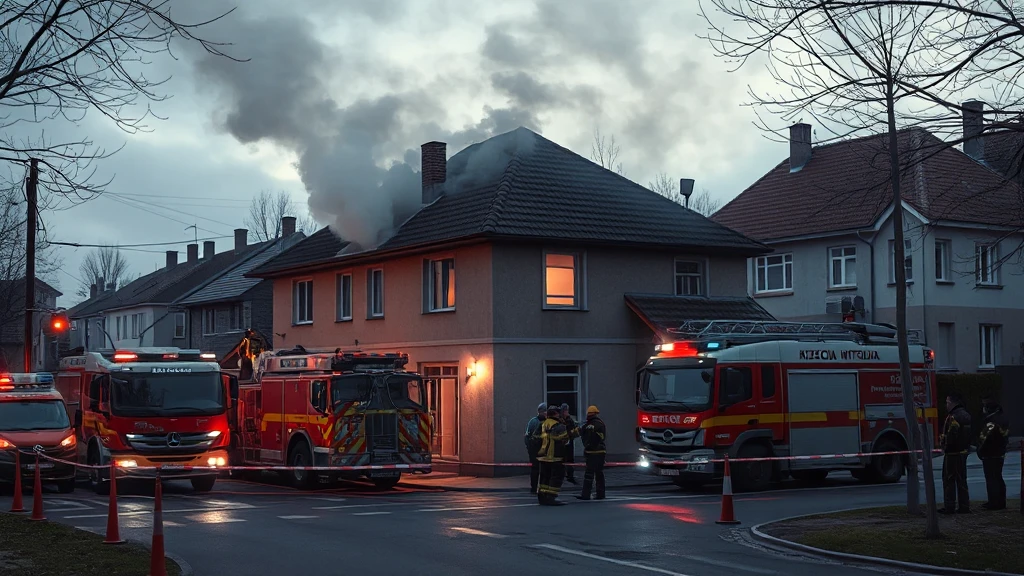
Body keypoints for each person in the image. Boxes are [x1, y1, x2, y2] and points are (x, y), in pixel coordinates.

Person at [939, 391, 972, 514]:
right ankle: (964, 506)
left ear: (953, 402)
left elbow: (952, 435)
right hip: (963, 452)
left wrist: (945, 444)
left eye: (947, 402)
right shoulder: (966, 415)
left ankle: (949, 506)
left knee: (949, 480)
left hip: (952, 453)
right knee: (962, 480)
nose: (946, 405)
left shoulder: (953, 417)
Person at [977, 395, 1010, 511]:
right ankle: (1000, 502)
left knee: (991, 479)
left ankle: (993, 502)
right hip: (1000, 452)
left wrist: (979, 450)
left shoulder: (991, 421)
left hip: (990, 453)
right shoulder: (1002, 418)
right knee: (998, 477)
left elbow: (984, 438)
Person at [537, 405, 569, 506]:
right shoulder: (559, 426)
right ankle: (551, 497)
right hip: (555, 456)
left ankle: (542, 497)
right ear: (556, 414)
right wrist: (576, 431)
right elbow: (565, 439)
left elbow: (535, 437)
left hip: (543, 456)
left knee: (544, 478)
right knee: (557, 477)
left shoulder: (542, 424)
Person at [577, 405, 606, 501]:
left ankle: (585, 494)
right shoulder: (600, 424)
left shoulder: (586, 425)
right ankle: (600, 494)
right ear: (596, 414)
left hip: (590, 452)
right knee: (599, 473)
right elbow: (602, 437)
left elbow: (580, 434)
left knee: (589, 474)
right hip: (600, 452)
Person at [524, 402, 547, 493]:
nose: (546, 413)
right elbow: (527, 436)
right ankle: (534, 488)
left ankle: (541, 488)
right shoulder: (533, 422)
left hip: (544, 451)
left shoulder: (547, 422)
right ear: (540, 411)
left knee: (544, 471)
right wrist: (530, 449)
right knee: (535, 470)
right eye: (544, 411)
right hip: (535, 451)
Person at [560, 403, 580, 484]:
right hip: (561, 443)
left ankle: (570, 476)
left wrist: (573, 433)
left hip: (569, 443)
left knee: (570, 459)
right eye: (565, 410)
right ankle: (561, 475)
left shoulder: (570, 419)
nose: (566, 412)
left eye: (567, 410)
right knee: (561, 459)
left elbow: (574, 429)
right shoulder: (559, 420)